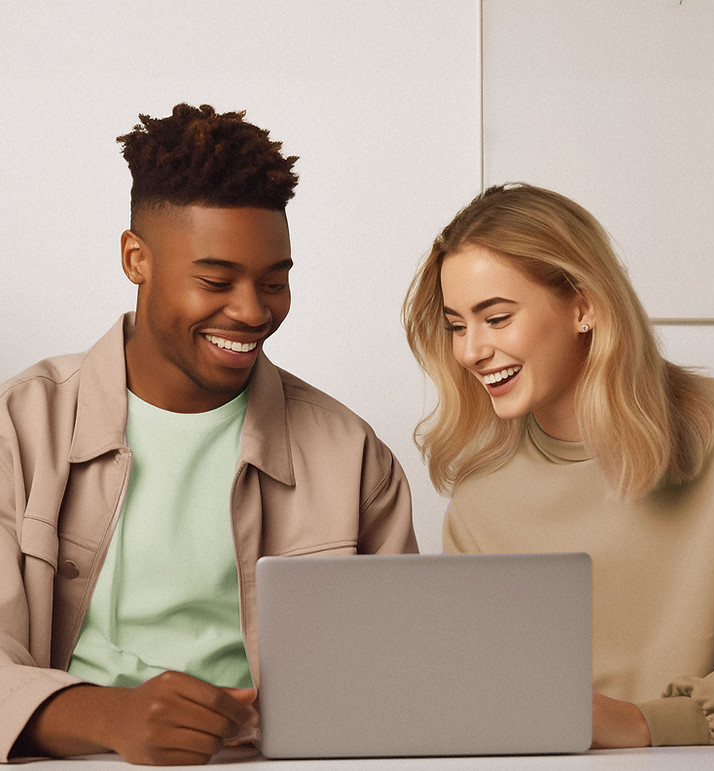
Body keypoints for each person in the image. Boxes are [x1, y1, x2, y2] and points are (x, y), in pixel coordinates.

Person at [0, 103, 418, 765]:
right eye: (216, 280)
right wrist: (108, 714)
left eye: (274, 282)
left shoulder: (351, 455)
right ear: (136, 258)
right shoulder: (18, 427)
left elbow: (406, 674)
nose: (252, 311)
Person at [402, 182, 714, 748]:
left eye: (497, 318)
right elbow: (490, 691)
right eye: (458, 325)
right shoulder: (481, 494)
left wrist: (649, 725)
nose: (469, 350)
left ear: (584, 304)